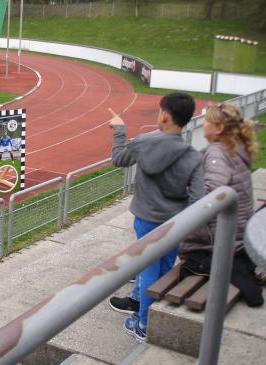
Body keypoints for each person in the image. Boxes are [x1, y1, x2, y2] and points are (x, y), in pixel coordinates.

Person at [107, 92, 204, 342]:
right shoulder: (193, 156)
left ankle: (144, 323)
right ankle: (142, 309)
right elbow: (197, 197)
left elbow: (119, 159)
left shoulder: (143, 142)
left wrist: (119, 129)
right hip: (174, 224)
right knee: (162, 267)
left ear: (165, 116)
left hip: (146, 219)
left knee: (148, 268)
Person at [178, 102, 263, 306]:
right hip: (241, 232)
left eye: (208, 120)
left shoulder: (216, 152)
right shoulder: (237, 145)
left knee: (180, 243)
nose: (204, 123)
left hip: (222, 240)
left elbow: (209, 199)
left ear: (220, 128)